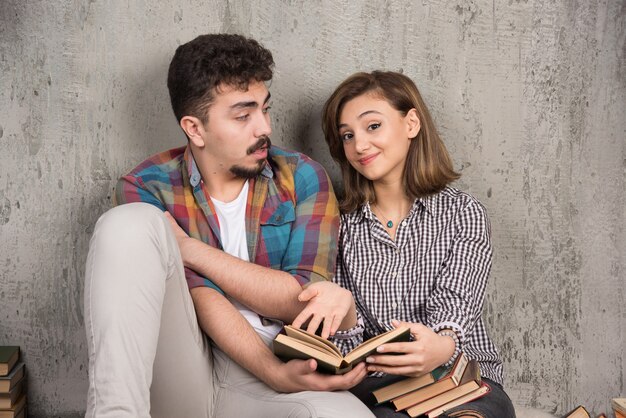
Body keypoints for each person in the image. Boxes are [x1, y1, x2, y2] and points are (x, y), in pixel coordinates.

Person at [84, 34, 375, 418]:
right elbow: (200, 295)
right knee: (126, 225)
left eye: (264, 109)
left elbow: (303, 299)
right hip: (181, 367)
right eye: (243, 116)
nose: (264, 128)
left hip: (274, 375)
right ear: (195, 128)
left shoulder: (301, 176)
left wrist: (190, 249)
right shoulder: (146, 185)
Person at [318, 71, 516, 418]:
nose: (359, 145)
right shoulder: (337, 225)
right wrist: (347, 315)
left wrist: (440, 345)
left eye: (373, 126)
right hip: (380, 385)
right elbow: (346, 345)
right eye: (347, 135)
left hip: (461, 377)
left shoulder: (463, 213)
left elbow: (458, 301)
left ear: (411, 123)